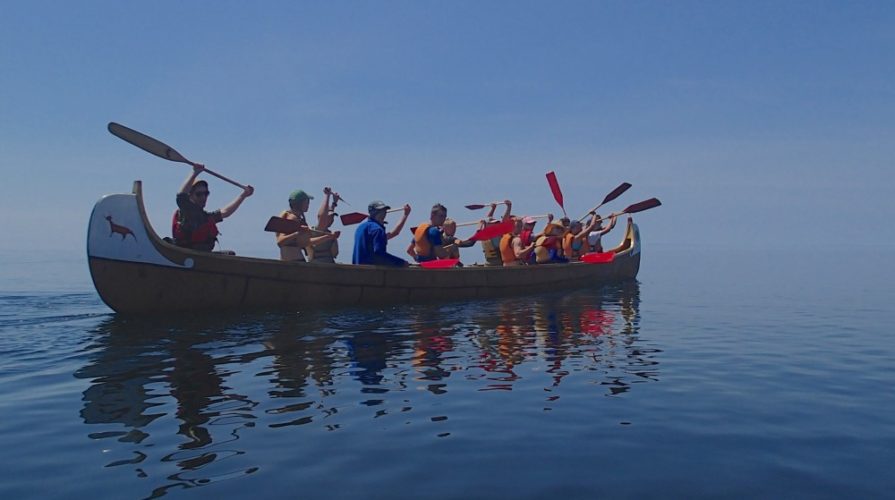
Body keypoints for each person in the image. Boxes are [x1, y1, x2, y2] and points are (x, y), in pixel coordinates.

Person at [172, 163, 254, 251]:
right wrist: (194, 173)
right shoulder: (187, 211)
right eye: (199, 194)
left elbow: (225, 212)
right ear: (190, 196)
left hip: (202, 255)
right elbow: (181, 197)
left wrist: (243, 195)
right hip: (188, 254)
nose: (203, 197)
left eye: (206, 194)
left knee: (230, 253)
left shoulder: (204, 217)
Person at [276, 189, 338, 262]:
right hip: (294, 263)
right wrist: (298, 233)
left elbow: (306, 242)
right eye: (307, 202)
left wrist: (328, 237)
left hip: (294, 262)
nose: (309, 205)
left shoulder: (296, 218)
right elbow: (280, 242)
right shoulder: (292, 218)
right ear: (301, 203)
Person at [353, 200, 411, 266]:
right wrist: (401, 262)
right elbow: (379, 254)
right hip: (370, 273)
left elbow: (394, 233)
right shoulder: (377, 230)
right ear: (374, 212)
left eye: (384, 210)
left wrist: (405, 215)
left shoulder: (361, 228)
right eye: (381, 210)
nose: (384, 213)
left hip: (357, 272)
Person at [308, 187, 343, 263]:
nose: (332, 220)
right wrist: (327, 195)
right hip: (318, 267)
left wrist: (334, 203)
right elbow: (322, 217)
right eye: (329, 217)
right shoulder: (317, 230)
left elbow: (328, 214)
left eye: (333, 217)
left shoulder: (328, 231)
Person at [478, 200, 512, 266]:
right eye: (494, 223)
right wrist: (509, 207)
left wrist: (493, 208)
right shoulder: (497, 235)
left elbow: (488, 219)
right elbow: (504, 221)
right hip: (499, 263)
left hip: (489, 263)